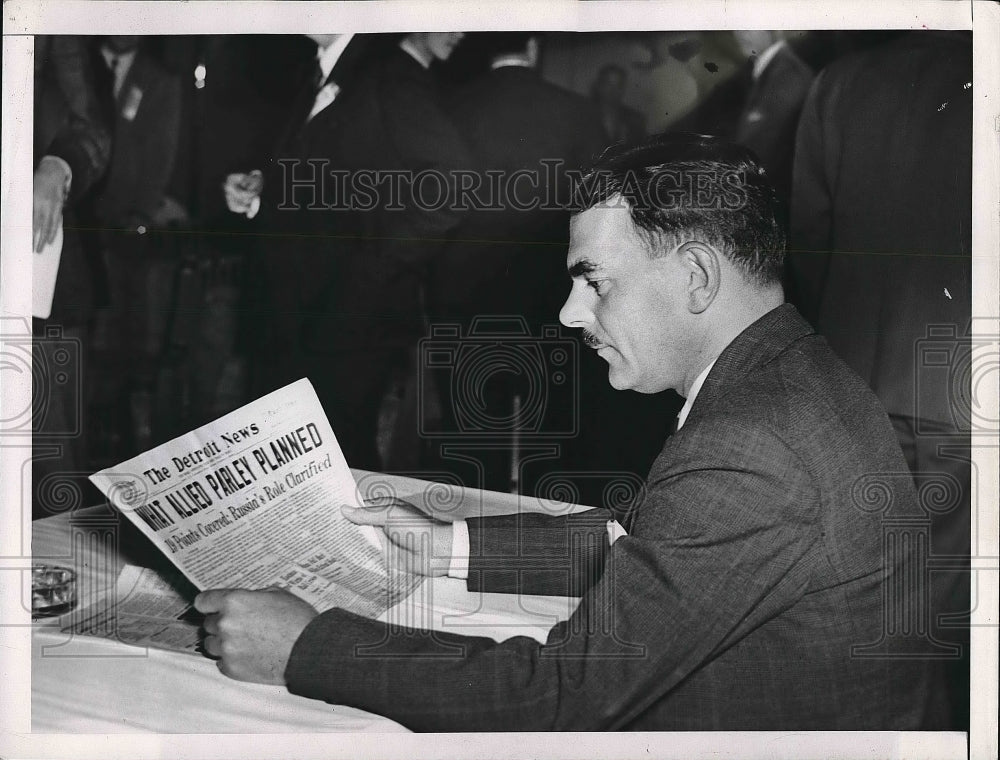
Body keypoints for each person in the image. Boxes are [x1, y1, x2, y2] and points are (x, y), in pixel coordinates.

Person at [195, 133, 944, 730]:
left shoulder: (752, 445)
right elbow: (658, 543)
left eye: (594, 280)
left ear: (696, 277)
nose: (569, 314)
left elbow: (562, 698)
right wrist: (450, 543)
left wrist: (306, 647)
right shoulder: (789, 374)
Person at [788, 30, 972, 729]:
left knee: (862, 586)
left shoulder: (839, 79)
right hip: (964, 379)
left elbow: (809, 236)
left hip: (853, 378)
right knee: (944, 609)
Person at [224, 32, 472, 470]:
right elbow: (342, 174)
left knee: (336, 480)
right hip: (297, 319)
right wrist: (264, 188)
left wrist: (367, 277)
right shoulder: (320, 69)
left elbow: (449, 187)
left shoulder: (387, 70)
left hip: (343, 324)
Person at [590, 64, 645, 145]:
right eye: (608, 84)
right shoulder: (584, 116)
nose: (613, 90)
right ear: (599, 86)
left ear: (623, 89)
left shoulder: (636, 119)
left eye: (618, 85)